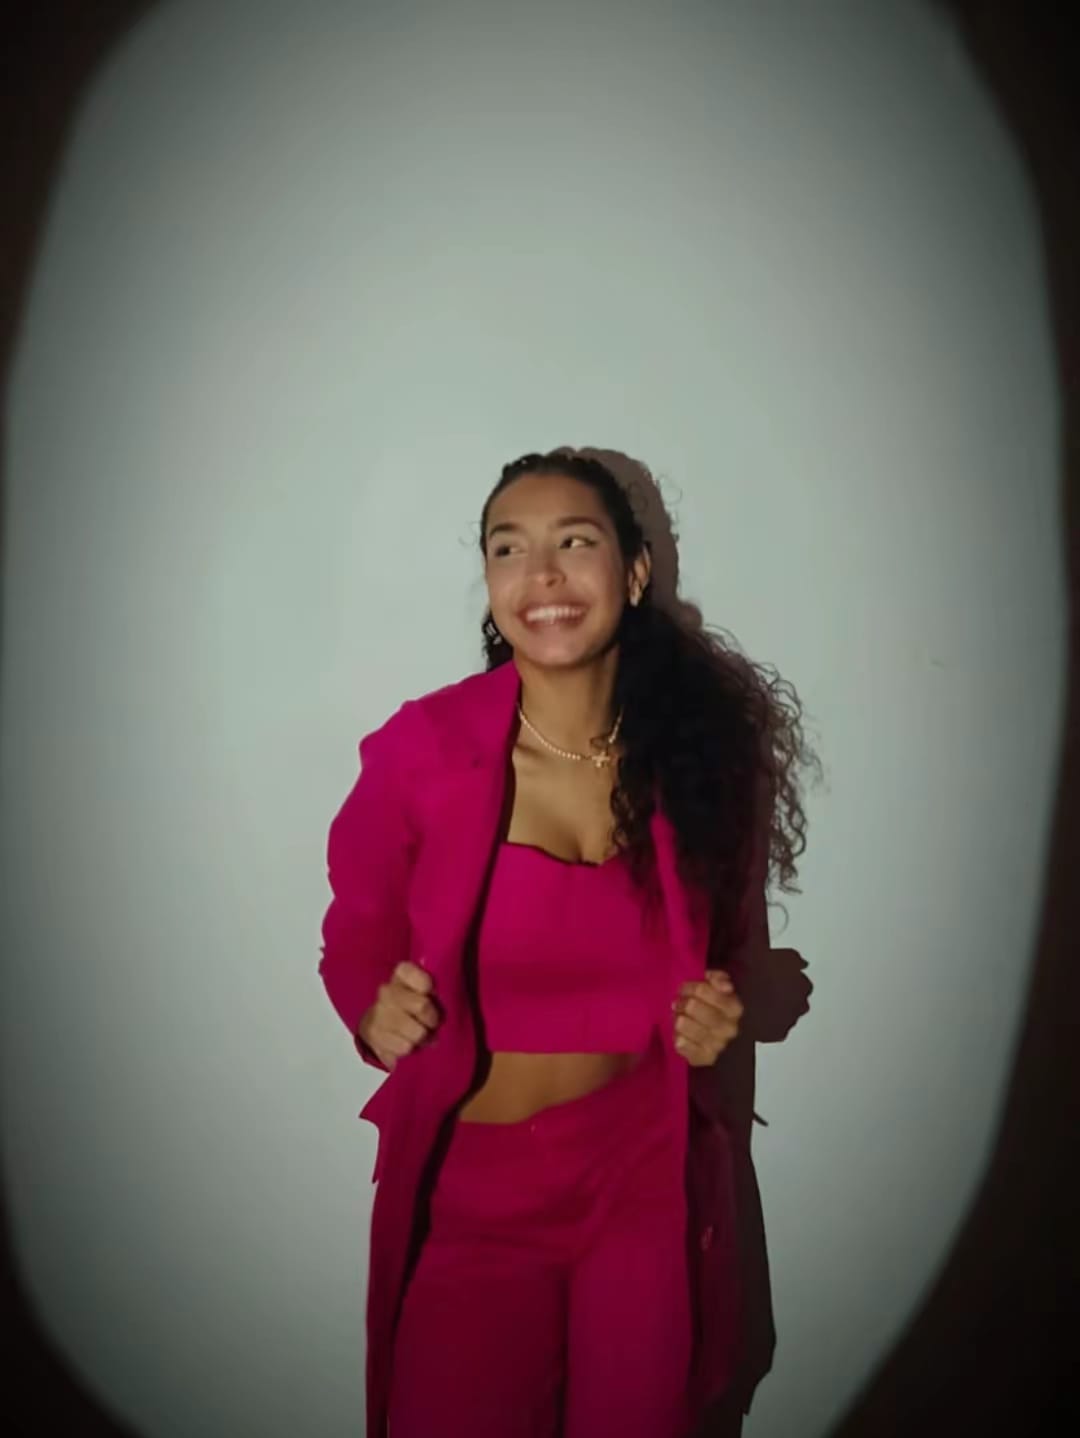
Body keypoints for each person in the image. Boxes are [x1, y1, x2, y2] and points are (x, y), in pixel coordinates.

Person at [318, 449, 813, 1438]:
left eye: (574, 541)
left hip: (640, 1178)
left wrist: (733, 1004)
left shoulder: (698, 760)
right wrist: (372, 1005)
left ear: (632, 572)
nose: (540, 573)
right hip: (473, 1196)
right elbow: (355, 932)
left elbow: (739, 960)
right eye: (509, 548)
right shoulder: (423, 751)